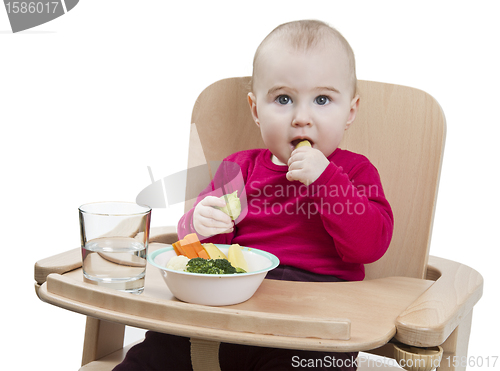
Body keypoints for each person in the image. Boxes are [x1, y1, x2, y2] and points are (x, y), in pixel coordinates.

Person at [115, 19, 394, 370]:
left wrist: (326, 180)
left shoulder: (354, 173)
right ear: (255, 110)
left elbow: (369, 246)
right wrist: (199, 222)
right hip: (223, 318)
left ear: (350, 111)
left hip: (312, 333)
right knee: (154, 352)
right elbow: (198, 248)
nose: (302, 118)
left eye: (322, 99)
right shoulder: (239, 170)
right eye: (283, 99)